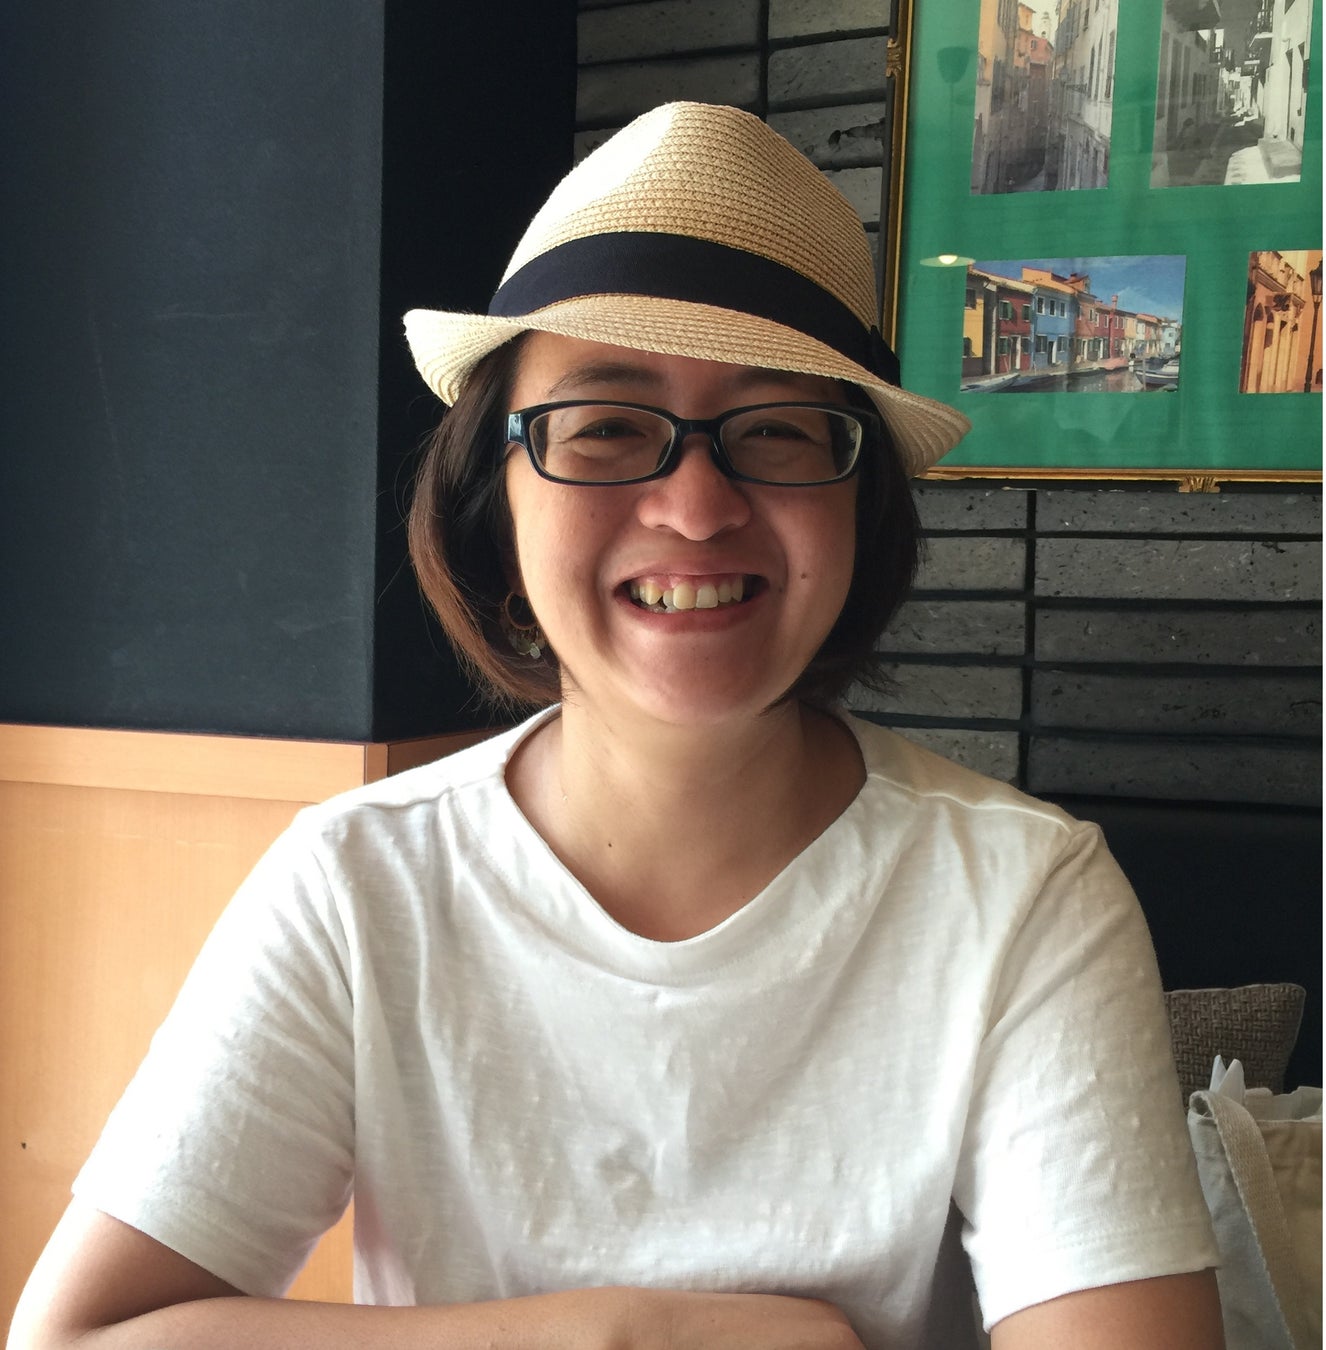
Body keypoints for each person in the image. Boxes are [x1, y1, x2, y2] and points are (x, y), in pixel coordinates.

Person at [9, 102, 1223, 1350]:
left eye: (777, 430)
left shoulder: (1022, 897)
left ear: (860, 509)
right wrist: (629, 1333)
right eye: (605, 429)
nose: (696, 508)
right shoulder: (357, 884)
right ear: (495, 500)